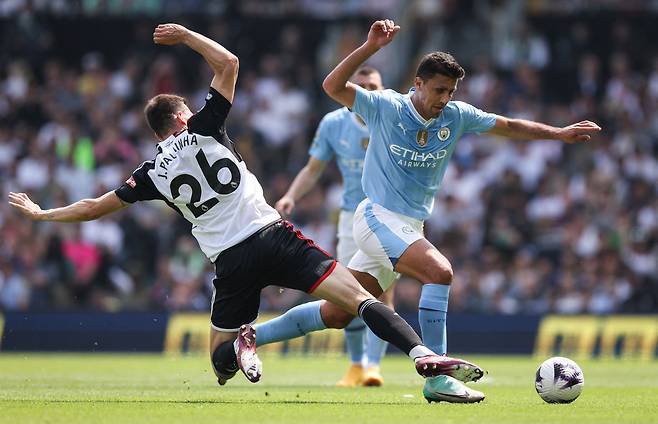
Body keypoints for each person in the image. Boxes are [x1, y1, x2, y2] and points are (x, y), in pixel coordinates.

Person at [7, 23, 484, 395]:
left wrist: (44, 214)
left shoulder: (151, 172)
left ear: (157, 134)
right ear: (181, 117)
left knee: (219, 365)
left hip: (230, 261)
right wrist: (185, 36)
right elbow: (228, 62)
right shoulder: (206, 125)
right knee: (361, 300)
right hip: (276, 235)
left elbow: (94, 207)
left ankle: (243, 340)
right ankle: (422, 354)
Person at [253, 19, 601, 403]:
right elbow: (332, 87)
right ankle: (437, 377)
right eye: (438, 90)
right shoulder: (386, 106)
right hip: (375, 216)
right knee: (439, 271)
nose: (444, 99)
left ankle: (248, 336)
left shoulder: (456, 115)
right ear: (417, 84)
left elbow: (507, 125)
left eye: (450, 91)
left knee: (339, 313)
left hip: (408, 224)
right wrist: (370, 47)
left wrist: (558, 132)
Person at [273, 66, 393, 387]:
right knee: (346, 292)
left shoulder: (392, 117)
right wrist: (290, 196)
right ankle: (355, 365)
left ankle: (373, 366)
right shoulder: (333, 124)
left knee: (383, 291)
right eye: (362, 86)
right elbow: (313, 169)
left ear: (383, 90)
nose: (368, 92)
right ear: (351, 92)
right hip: (351, 218)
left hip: (390, 216)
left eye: (374, 86)